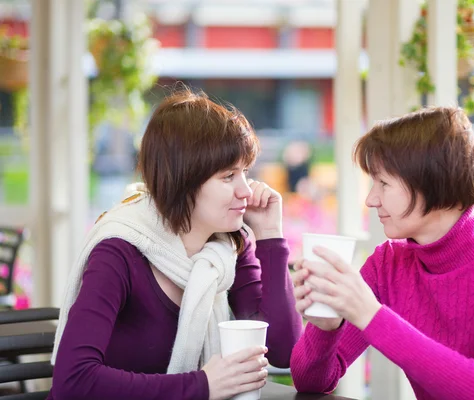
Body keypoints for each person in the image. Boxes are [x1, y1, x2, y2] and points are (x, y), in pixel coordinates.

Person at [48, 89, 303, 400]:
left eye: (245, 173)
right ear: (184, 179)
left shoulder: (229, 248)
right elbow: (73, 381)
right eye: (228, 177)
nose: (246, 191)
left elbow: (282, 351)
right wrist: (203, 386)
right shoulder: (120, 252)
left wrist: (271, 237)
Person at [290, 106, 474, 400]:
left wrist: (369, 314)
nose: (370, 199)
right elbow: (310, 383)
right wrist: (325, 326)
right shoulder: (387, 264)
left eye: (384, 183)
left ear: (433, 180)